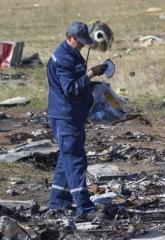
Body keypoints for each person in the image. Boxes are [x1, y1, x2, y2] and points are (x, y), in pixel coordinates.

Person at [46, 21, 108, 217]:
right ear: (69, 37)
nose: (82, 45)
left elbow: (76, 83)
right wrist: (90, 74)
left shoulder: (71, 53)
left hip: (71, 114)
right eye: (80, 41)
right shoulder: (63, 58)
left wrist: (91, 86)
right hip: (66, 116)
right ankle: (85, 208)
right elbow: (71, 89)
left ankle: (58, 203)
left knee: (66, 160)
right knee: (75, 161)